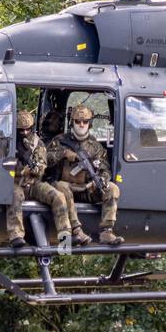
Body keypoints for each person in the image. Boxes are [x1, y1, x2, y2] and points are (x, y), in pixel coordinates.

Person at [49, 104, 122, 245]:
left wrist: (101, 180)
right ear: (72, 122)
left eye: (85, 121)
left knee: (112, 188)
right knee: (61, 186)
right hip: (67, 189)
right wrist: (63, 154)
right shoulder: (60, 141)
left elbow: (105, 170)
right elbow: (45, 159)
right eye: (78, 121)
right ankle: (77, 230)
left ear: (90, 123)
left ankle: (107, 231)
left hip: (88, 188)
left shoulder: (96, 147)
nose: (81, 124)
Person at [6, 110, 73, 247]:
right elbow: (3, 165)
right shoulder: (9, 144)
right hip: (15, 183)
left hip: (34, 183)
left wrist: (33, 170)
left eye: (27, 129)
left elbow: (42, 166)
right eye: (21, 130)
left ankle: (65, 238)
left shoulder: (38, 144)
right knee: (14, 195)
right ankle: (16, 235)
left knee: (58, 196)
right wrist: (20, 170)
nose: (24, 132)